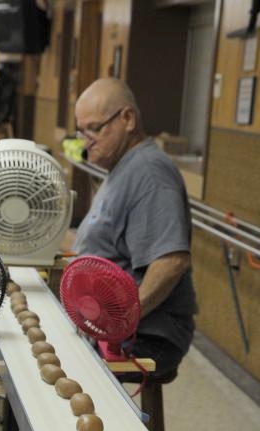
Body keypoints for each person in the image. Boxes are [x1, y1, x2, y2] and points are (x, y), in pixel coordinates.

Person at [70, 78, 197, 379]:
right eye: (81, 130)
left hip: (147, 337)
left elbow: (171, 262)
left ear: (127, 119)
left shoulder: (149, 173)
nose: (86, 140)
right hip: (109, 323)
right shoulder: (123, 167)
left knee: (50, 374)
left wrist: (120, 322)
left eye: (95, 128)